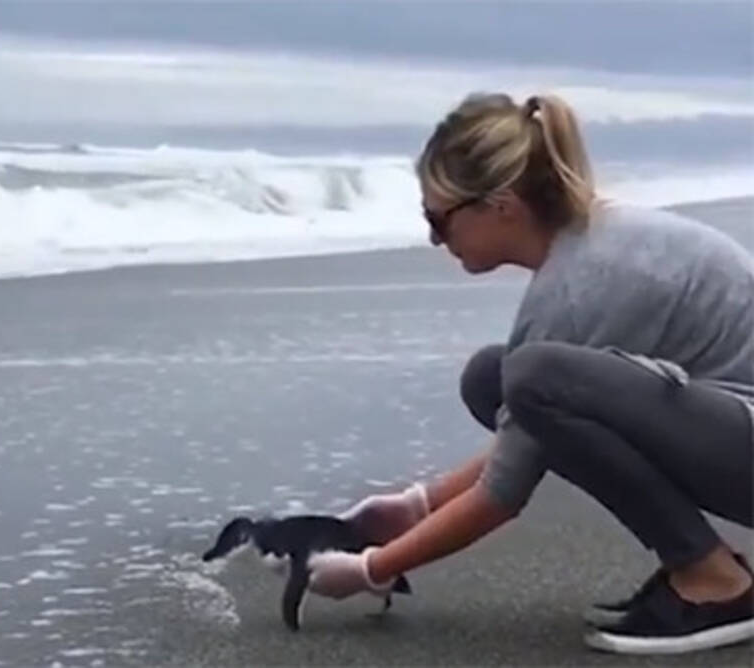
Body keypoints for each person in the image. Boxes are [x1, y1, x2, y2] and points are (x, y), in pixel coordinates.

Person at [303, 92, 754, 655]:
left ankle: (716, 583)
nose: (433, 239)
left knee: (532, 376)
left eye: (438, 219)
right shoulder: (592, 245)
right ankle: (701, 566)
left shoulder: (585, 284)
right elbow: (530, 435)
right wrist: (416, 505)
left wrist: (370, 568)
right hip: (732, 427)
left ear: (501, 206)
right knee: (496, 376)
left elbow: (503, 492)